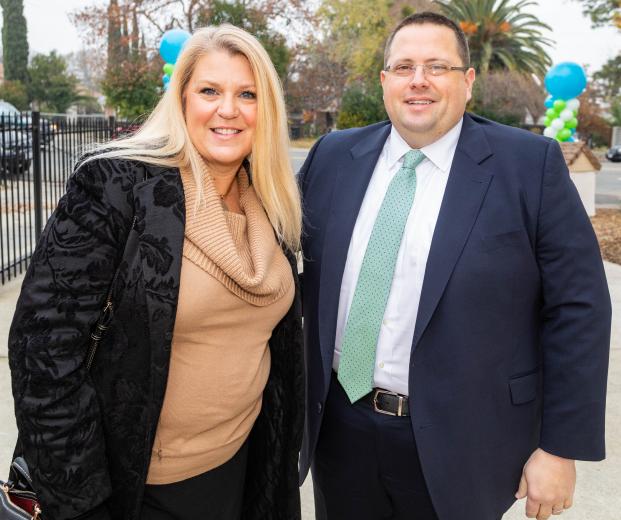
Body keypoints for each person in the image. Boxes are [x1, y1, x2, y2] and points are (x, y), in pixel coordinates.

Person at [298, 11, 611, 520]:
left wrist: (559, 448)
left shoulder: (529, 166)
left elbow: (579, 309)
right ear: (384, 81)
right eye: (404, 67)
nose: (418, 80)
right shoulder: (333, 157)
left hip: (466, 441)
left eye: (437, 66)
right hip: (340, 432)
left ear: (467, 82)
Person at [9, 24, 304, 520]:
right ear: (181, 98)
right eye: (209, 91)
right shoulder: (115, 187)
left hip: (244, 469)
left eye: (247, 94)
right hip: (137, 489)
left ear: (266, 109)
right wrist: (84, 506)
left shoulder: (271, 204)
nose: (228, 109)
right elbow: (42, 352)